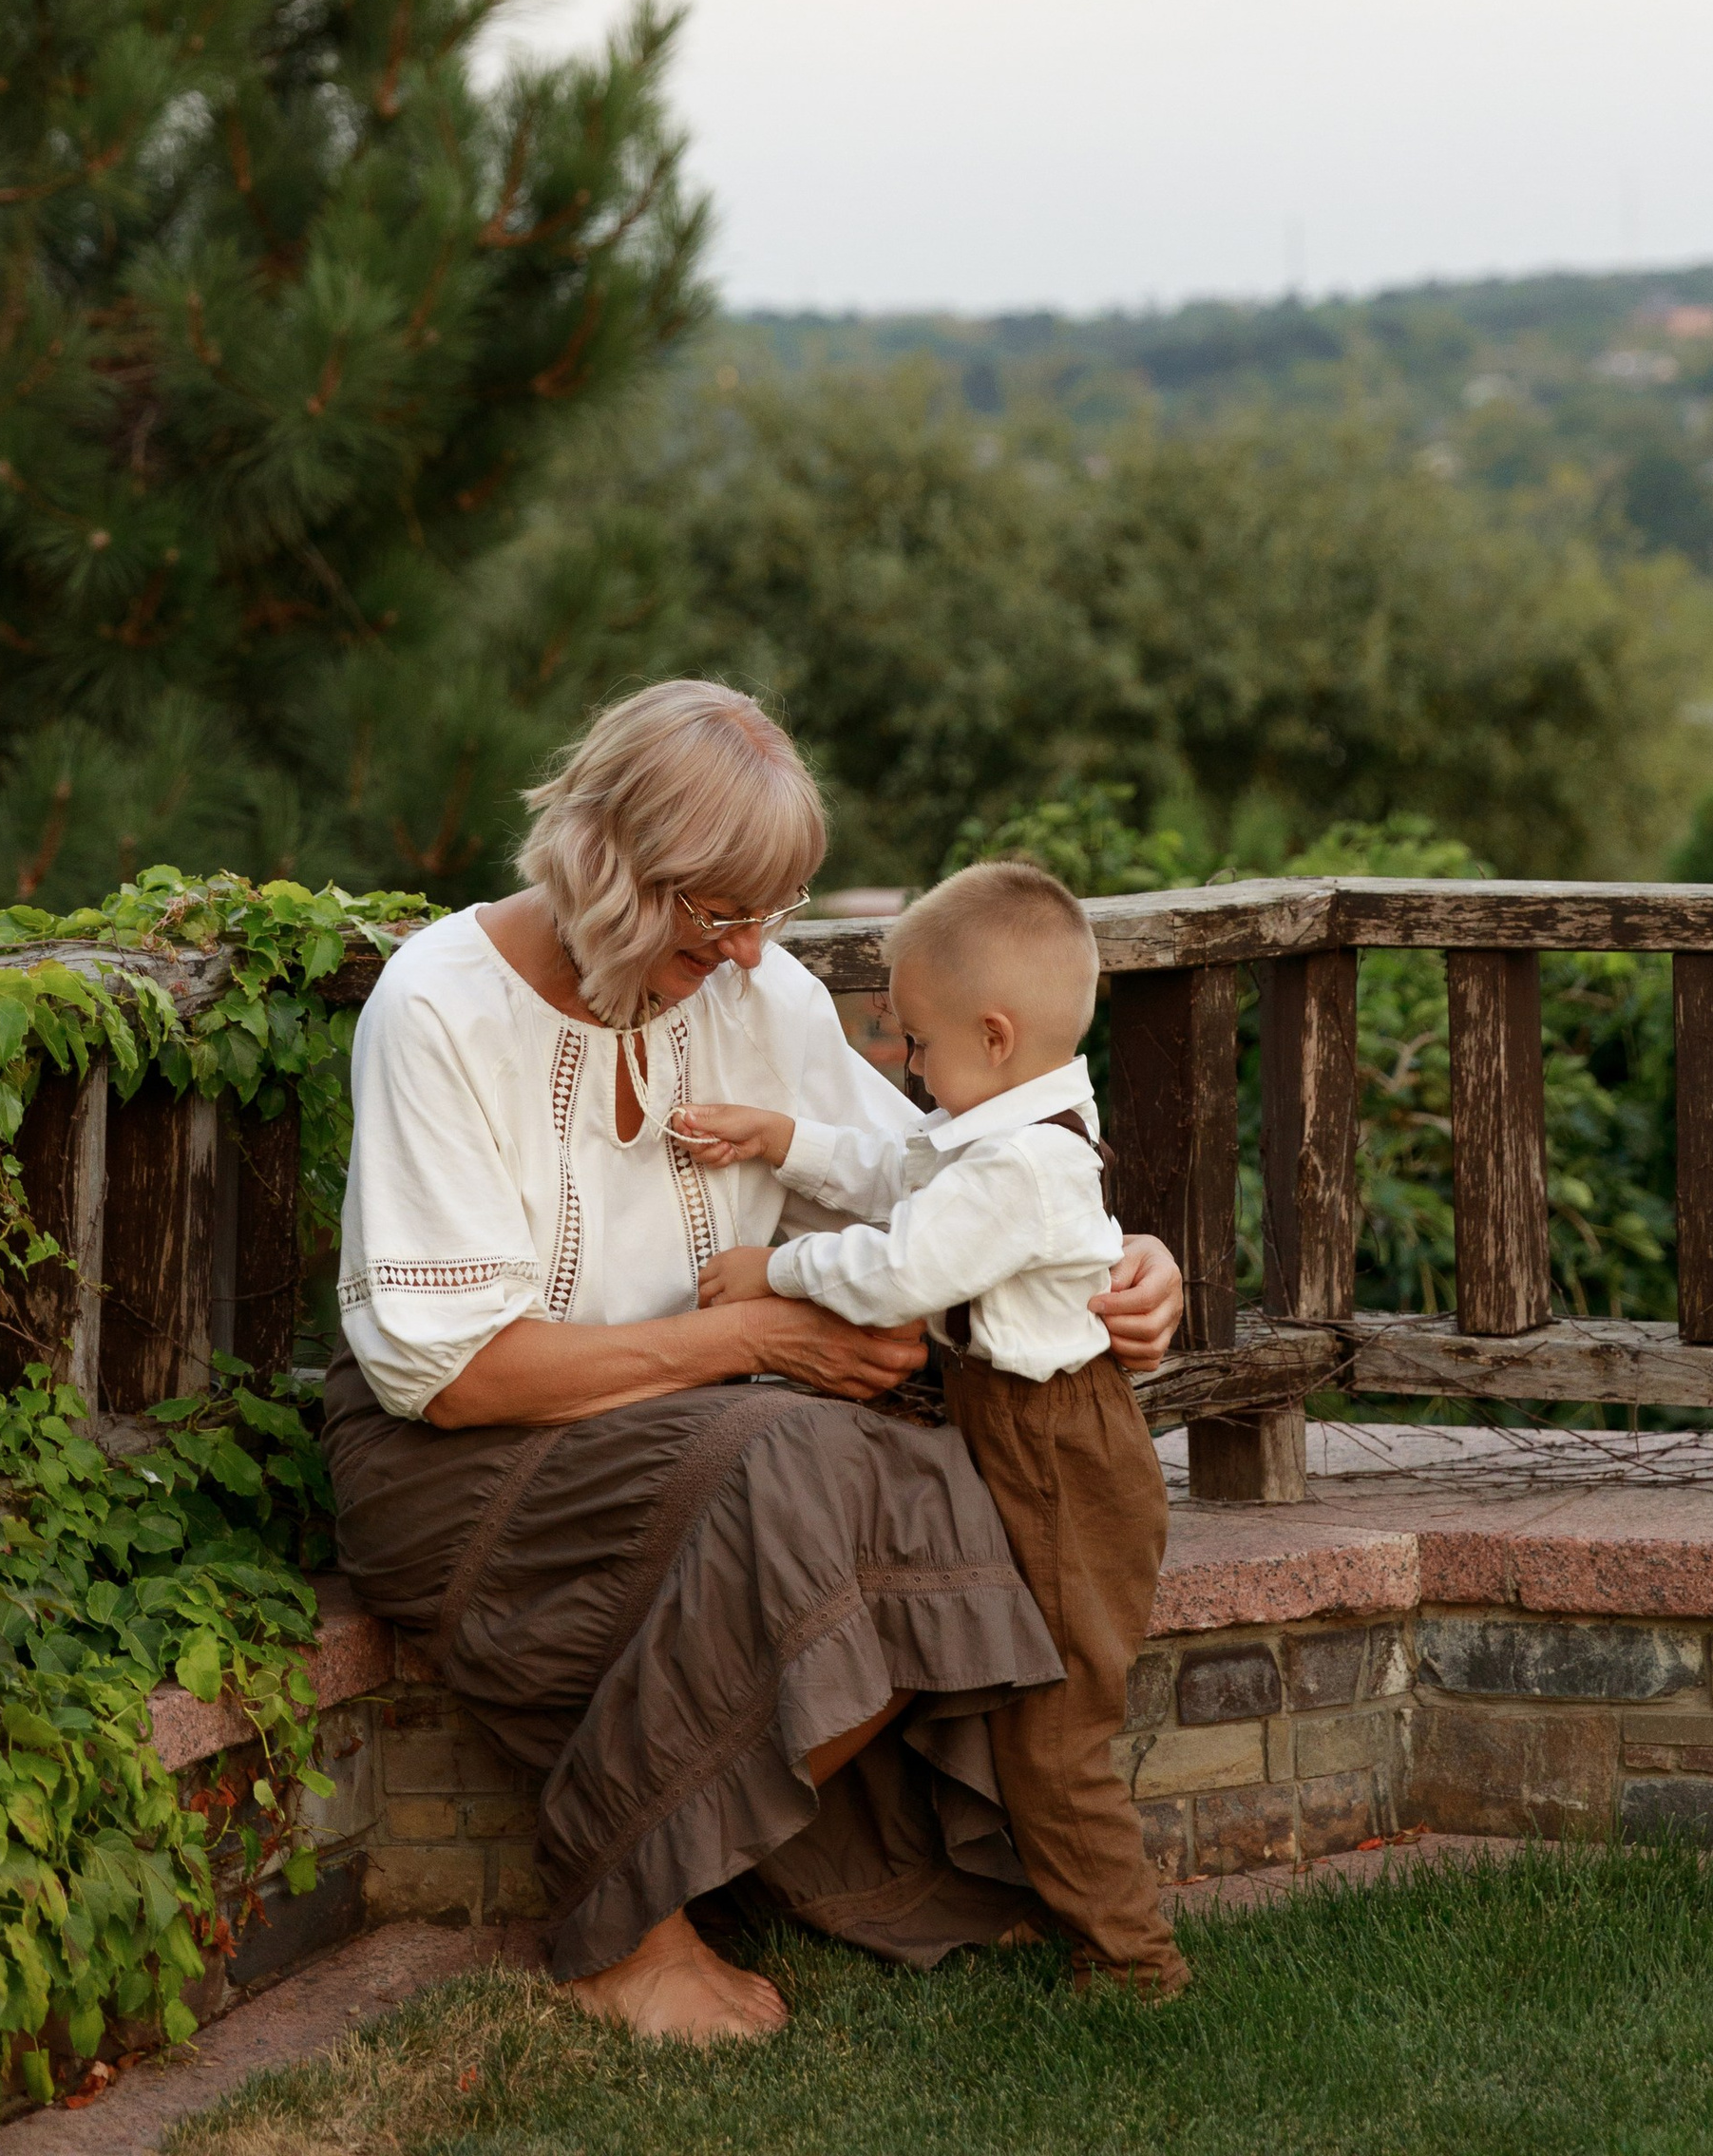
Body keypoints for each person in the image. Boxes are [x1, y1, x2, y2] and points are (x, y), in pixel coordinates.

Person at [320, 680, 1187, 2044]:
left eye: (763, 917)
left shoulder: (755, 991)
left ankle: (838, 1851)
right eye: (713, 915)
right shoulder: (438, 1005)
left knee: (920, 1462)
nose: (742, 955)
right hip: (459, 1462)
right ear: (609, 866)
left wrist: (1122, 1265)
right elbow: (454, 1376)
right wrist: (758, 1337)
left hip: (703, 1436)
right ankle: (625, 1923)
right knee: (801, 1454)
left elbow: (935, 1185)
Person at [680, 858, 1191, 1999]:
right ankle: (1026, 1903)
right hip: (1022, 1437)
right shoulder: (999, 1125)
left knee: (1057, 1730)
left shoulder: (1022, 1165)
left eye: (915, 1044)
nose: (905, 1065)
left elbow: (902, 1265)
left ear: (995, 1036)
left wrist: (777, 1269)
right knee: (1019, 1692)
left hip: (1058, 1454)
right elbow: (892, 1166)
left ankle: (1132, 1963)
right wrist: (781, 1137)